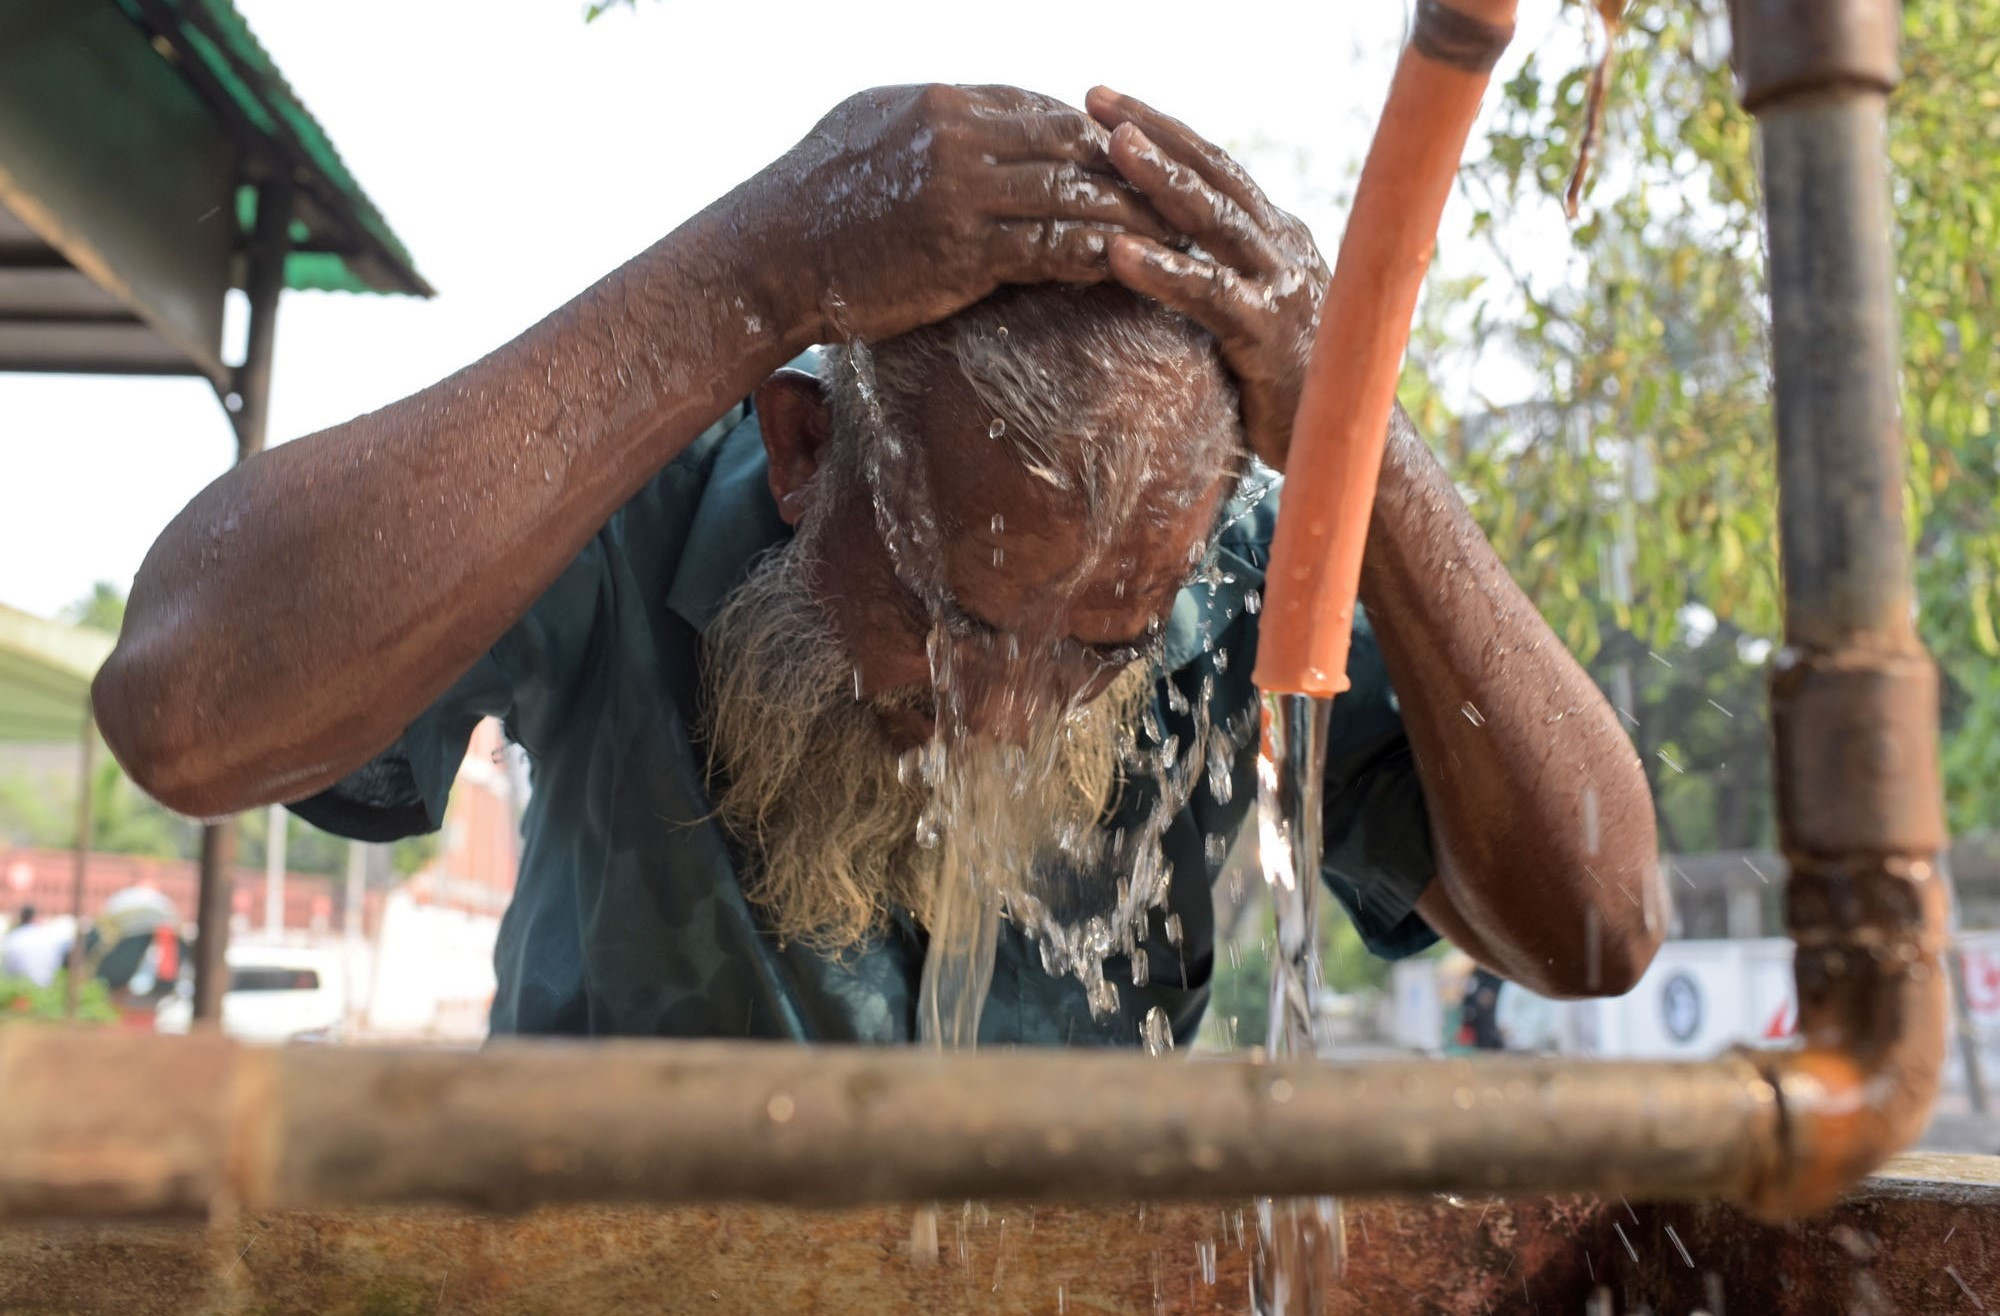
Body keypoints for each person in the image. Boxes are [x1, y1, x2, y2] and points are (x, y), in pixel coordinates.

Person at [95, 85, 1663, 1046]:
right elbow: (182, 707)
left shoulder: (1233, 585)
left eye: (1097, 649)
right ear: (799, 447)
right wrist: (752, 262)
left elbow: (1598, 931)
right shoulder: (633, 505)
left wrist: (1359, 439)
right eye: (954, 619)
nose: (1003, 714)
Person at [1, 905, 68, 988]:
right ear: (35, 917)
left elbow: (7, 970)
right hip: (46, 988)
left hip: (19, 989)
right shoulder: (48, 936)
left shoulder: (13, 938)